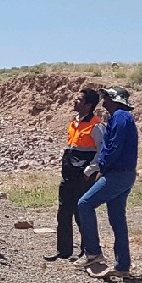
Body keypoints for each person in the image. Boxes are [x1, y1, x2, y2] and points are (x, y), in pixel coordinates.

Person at [76, 86, 139, 278]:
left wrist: (102, 168)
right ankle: (122, 266)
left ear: (115, 99)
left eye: (107, 99)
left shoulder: (119, 117)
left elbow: (112, 147)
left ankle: (93, 252)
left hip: (116, 174)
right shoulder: (124, 117)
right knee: (118, 220)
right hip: (126, 174)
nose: (103, 103)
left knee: (85, 203)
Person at [45, 88, 105, 262]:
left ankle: (87, 251)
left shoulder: (96, 126)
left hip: (83, 178)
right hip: (68, 175)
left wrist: (89, 171)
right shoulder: (74, 123)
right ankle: (63, 251)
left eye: (79, 100)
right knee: (63, 213)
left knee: (81, 213)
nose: (74, 101)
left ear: (88, 105)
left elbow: (102, 152)